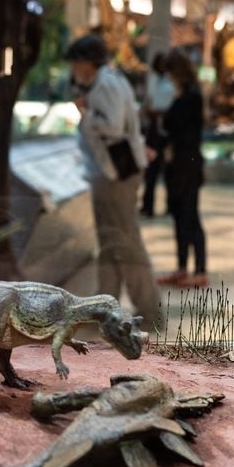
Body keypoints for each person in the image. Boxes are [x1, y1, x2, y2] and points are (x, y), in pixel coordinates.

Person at [65, 34, 161, 329]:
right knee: (110, 241)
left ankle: (148, 310)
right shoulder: (109, 80)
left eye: (75, 63)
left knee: (127, 241)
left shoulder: (105, 84)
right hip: (109, 174)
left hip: (116, 176)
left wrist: (86, 113)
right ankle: (106, 305)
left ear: (85, 62)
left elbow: (113, 126)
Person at [156, 50, 208, 288]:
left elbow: (176, 127)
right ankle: (181, 266)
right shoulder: (184, 96)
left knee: (190, 215)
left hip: (187, 164)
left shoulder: (191, 97)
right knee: (178, 215)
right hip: (177, 164)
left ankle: (199, 269)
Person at [139, 53, 175, 217]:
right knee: (152, 171)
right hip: (155, 132)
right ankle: (148, 205)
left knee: (166, 171)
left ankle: (170, 205)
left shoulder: (170, 84)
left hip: (165, 132)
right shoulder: (157, 82)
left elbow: (168, 109)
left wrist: (155, 112)